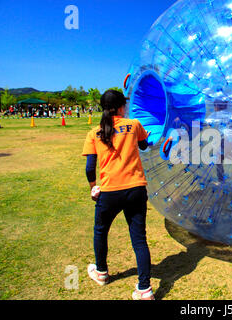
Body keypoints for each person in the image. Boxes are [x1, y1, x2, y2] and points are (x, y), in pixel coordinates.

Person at [81, 90, 154, 300]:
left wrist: (93, 186)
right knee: (139, 239)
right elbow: (143, 145)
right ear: (122, 106)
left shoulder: (95, 132)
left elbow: (89, 167)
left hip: (110, 191)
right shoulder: (134, 125)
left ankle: (102, 272)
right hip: (136, 188)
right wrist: (145, 138)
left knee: (101, 231)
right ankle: (145, 289)